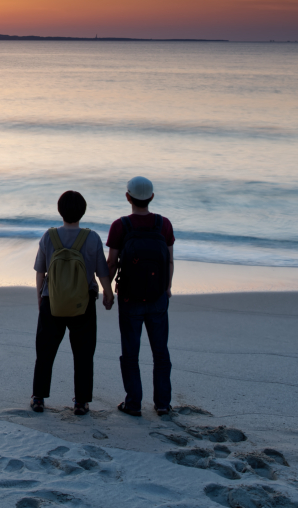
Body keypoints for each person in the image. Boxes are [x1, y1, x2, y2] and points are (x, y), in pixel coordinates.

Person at [31, 190, 114, 416]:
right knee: (84, 354)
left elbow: (40, 271)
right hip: (83, 303)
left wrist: (40, 296)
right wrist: (108, 292)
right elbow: (102, 272)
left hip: (52, 301)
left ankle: (38, 398)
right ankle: (81, 402)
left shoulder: (49, 237)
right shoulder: (92, 238)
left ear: (60, 211)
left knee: (45, 351)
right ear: (83, 212)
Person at [106, 175, 175, 417]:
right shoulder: (163, 224)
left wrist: (106, 290)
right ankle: (163, 404)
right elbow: (169, 260)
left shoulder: (120, 226)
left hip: (129, 299)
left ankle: (133, 403)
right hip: (157, 298)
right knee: (160, 353)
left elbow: (112, 263)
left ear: (128, 197)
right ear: (152, 198)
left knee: (130, 353)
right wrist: (167, 287)